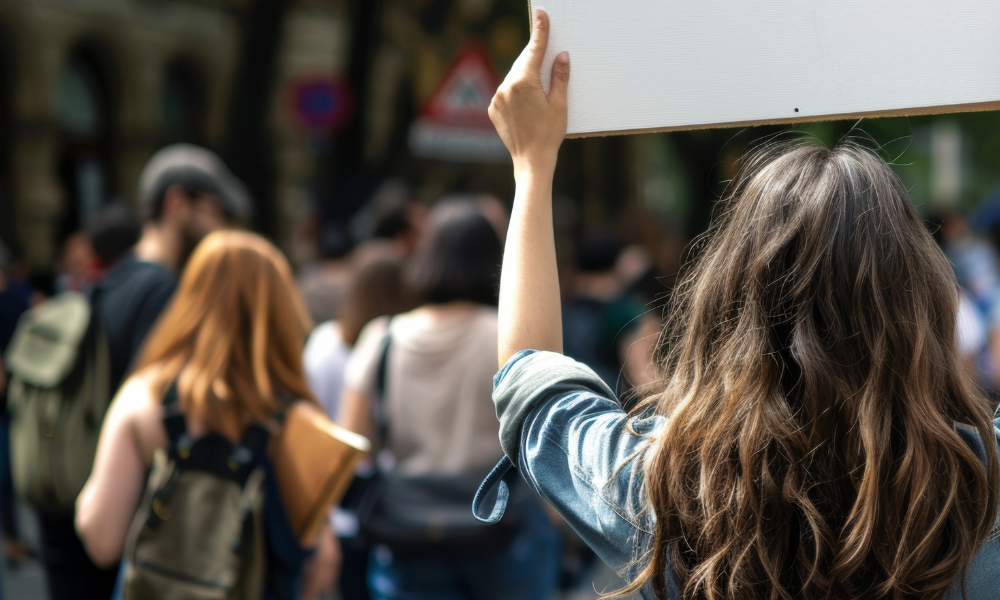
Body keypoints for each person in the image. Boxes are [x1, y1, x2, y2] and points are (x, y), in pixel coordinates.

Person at [481, 9, 1000, 600]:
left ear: (726, 304)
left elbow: (530, 381)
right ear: (921, 302)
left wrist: (532, 165)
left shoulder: (658, 486)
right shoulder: (980, 490)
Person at [75, 230, 337, 600]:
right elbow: (320, 560)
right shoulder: (299, 420)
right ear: (280, 309)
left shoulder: (143, 399)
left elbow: (102, 542)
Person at [339, 200, 560, 600]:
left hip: (406, 530)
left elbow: (352, 442)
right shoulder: (506, 340)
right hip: (502, 523)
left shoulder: (382, 337)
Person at [134, 144, 251, 273]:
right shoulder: (164, 289)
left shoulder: (118, 276)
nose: (223, 230)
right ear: (177, 204)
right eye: (216, 212)